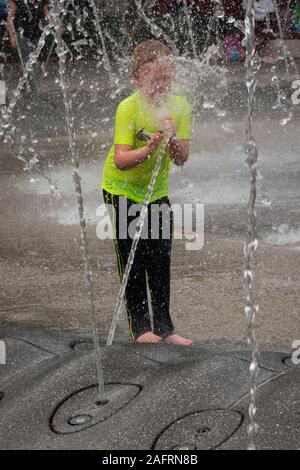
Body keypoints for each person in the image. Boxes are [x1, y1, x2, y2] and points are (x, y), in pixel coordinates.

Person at [101, 40, 193, 346]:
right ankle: (140, 328)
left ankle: (165, 327)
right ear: (137, 79)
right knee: (134, 257)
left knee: (160, 256)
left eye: (167, 78)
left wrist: (172, 137)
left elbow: (182, 157)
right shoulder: (128, 108)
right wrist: (149, 149)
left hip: (156, 192)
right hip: (121, 189)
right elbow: (121, 160)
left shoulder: (179, 107)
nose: (162, 85)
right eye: (155, 79)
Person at [6, 0, 49, 95]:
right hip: (21, 36)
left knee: (32, 62)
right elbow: (10, 17)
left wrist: (51, 23)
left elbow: (46, 14)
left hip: (36, 35)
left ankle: (23, 86)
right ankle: (35, 92)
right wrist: (12, 35)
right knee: (27, 61)